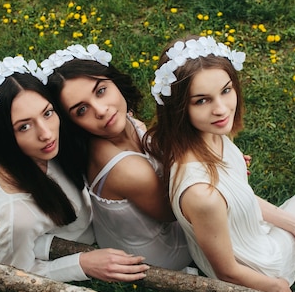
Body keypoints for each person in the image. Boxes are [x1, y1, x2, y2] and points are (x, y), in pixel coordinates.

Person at [144, 36, 295, 292]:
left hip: (249, 234)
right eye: (202, 101)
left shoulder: (205, 135)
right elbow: (227, 271)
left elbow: (239, 198)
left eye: (226, 90)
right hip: (258, 267)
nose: (221, 109)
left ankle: (294, 228)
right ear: (179, 108)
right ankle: (286, 252)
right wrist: (275, 286)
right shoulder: (202, 195)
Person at [0, 55, 149, 283]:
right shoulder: (18, 217)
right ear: (4, 138)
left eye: (47, 113)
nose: (46, 133)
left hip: (104, 219)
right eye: (24, 126)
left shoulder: (57, 143)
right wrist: (82, 264)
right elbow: (18, 272)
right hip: (83, 240)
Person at [42, 44, 192, 271]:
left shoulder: (118, 124)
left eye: (100, 91)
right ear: (71, 123)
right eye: (81, 110)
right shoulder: (127, 169)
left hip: (118, 235)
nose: (101, 110)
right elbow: (176, 213)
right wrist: (213, 164)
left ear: (114, 81)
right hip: (160, 252)